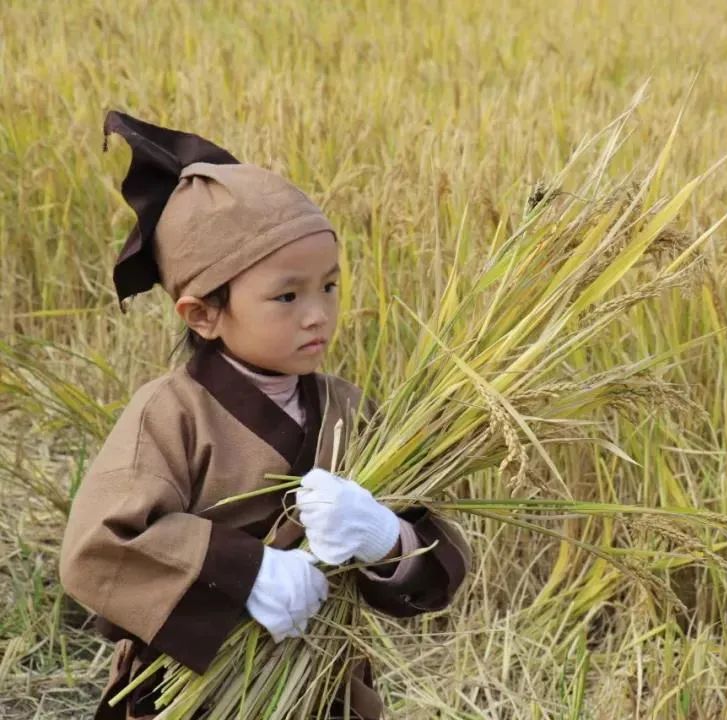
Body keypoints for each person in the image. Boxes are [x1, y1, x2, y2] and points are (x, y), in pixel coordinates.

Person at [59, 112, 470, 720]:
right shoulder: (170, 414)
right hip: (191, 694)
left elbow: (436, 559)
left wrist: (387, 537)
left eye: (329, 286)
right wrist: (248, 574)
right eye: (287, 295)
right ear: (203, 314)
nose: (318, 314)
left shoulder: (348, 410)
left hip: (323, 686)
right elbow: (99, 546)